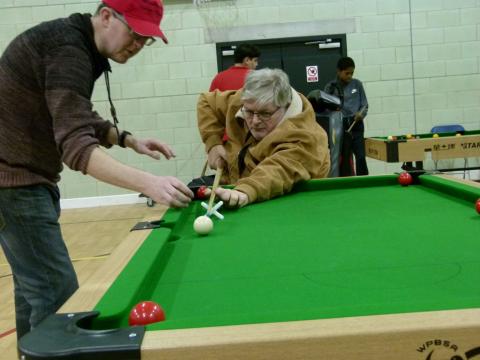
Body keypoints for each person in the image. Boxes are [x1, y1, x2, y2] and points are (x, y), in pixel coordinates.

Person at [0, 0, 193, 340]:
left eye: (145, 40)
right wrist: (148, 183)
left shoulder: (71, 42)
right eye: (135, 34)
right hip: (15, 185)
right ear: (106, 16)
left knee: (33, 296)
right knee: (57, 296)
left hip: (20, 182)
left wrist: (127, 139)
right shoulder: (68, 49)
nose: (137, 46)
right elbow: (76, 145)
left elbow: (71, 113)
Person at [197, 68, 330, 208]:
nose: (254, 121)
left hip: (284, 206)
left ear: (285, 105)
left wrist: (244, 191)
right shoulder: (248, 101)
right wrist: (213, 144)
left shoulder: (308, 137)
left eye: (265, 114)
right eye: (248, 112)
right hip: (235, 187)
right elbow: (206, 101)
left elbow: (277, 170)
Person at [324, 57, 369, 176]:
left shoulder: (357, 84)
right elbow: (325, 109)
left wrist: (361, 114)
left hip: (356, 124)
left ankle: (364, 183)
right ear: (339, 71)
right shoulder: (330, 87)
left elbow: (365, 105)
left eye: (352, 73)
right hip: (340, 126)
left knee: (360, 157)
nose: (350, 76)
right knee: (344, 158)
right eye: (347, 73)